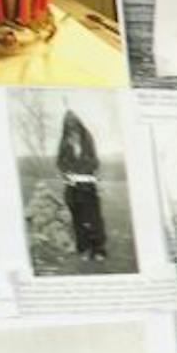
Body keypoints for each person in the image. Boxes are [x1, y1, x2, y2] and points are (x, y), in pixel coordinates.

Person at [55, 109, 108, 262]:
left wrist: (81, 171)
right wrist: (67, 172)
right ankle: (84, 249)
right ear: (66, 127)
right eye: (68, 126)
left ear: (78, 124)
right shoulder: (64, 142)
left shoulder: (87, 139)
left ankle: (98, 250)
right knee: (77, 219)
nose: (72, 130)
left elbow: (94, 161)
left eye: (74, 126)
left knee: (93, 218)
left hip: (87, 186)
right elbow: (60, 162)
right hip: (71, 187)